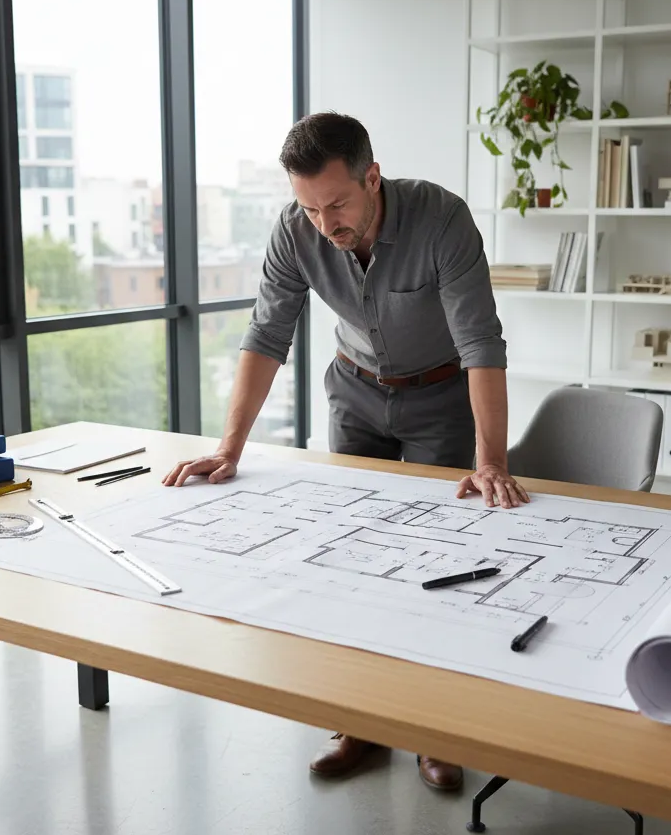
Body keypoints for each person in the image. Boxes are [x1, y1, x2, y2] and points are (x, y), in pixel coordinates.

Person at [163, 111, 529, 792]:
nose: (325, 223)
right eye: (309, 208)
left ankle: (432, 728)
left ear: (373, 177)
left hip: (438, 395)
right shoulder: (294, 231)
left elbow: (481, 342)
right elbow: (268, 333)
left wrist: (492, 460)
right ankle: (361, 721)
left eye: (337, 204)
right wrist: (230, 447)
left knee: (437, 562)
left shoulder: (441, 219)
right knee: (359, 558)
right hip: (355, 394)